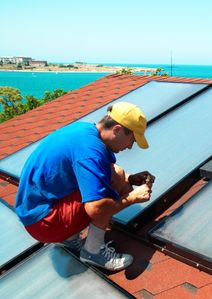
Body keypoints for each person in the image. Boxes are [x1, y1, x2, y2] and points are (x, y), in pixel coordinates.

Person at [15, 101, 155, 271]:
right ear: (117, 129)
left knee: (117, 173)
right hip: (45, 223)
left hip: (34, 210)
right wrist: (131, 198)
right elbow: (97, 209)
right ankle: (93, 252)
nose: (130, 146)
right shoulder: (90, 151)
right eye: (132, 139)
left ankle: (69, 237)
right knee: (106, 194)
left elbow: (102, 169)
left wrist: (130, 179)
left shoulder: (85, 130)